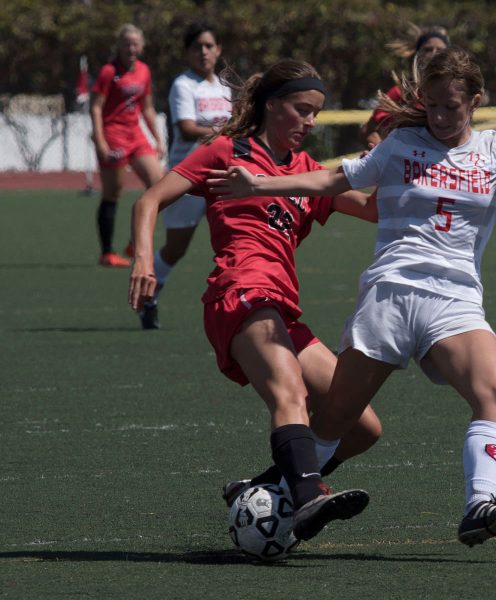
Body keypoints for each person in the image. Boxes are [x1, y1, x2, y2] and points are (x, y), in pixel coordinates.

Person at [206, 47, 496, 547]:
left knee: (492, 390)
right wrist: (260, 184)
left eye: (450, 106)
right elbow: (335, 179)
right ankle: (267, 490)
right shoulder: (400, 145)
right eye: (431, 105)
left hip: (454, 300)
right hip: (391, 292)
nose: (439, 116)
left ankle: (479, 505)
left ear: (474, 101)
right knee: (338, 420)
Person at [128, 58, 381, 541]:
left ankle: (258, 487)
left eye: (315, 114)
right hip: (237, 294)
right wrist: (144, 260)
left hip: (281, 308)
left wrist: (394, 157)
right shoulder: (226, 151)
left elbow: (374, 208)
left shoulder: (308, 172)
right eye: (301, 109)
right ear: (271, 105)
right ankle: (308, 499)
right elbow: (148, 200)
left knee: (362, 425)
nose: (309, 123)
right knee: (290, 396)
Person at [138, 22, 232, 330]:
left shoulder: (224, 87)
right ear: (188, 53)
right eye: (197, 47)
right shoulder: (183, 85)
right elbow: (187, 128)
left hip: (222, 176)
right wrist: (226, 131)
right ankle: (149, 294)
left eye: (208, 45)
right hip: (188, 177)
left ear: (218, 50)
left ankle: (239, 305)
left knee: (236, 240)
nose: (203, 52)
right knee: (176, 248)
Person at [90, 24, 165, 267]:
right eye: (126, 44)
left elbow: (147, 107)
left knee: (159, 184)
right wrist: (100, 141)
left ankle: (136, 241)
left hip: (136, 135)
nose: (131, 48)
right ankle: (107, 252)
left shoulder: (144, 71)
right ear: (119, 47)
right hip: (113, 135)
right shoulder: (108, 72)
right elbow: (96, 106)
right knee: (113, 192)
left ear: (141, 47)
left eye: (135, 44)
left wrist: (158, 138)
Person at [359, 24, 449, 149]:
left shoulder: (454, 92)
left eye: (440, 50)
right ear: (417, 55)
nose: (433, 54)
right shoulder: (401, 92)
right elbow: (368, 131)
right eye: (428, 49)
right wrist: (387, 157)